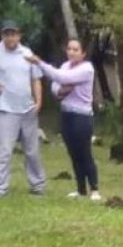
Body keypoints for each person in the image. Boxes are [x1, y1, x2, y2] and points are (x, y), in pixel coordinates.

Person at [25, 39, 100, 201]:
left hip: (82, 116)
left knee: (84, 153)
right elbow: (55, 86)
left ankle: (94, 189)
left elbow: (61, 77)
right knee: (73, 153)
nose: (72, 52)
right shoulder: (65, 66)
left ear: (83, 53)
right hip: (67, 114)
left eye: (76, 49)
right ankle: (81, 190)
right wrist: (61, 91)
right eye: (69, 49)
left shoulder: (87, 69)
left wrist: (40, 63)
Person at [0, 19, 46, 197]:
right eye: (7, 34)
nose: (10, 37)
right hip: (6, 109)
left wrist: (39, 102)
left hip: (27, 108)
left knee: (32, 150)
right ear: (3, 35)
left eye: (13, 34)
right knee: (5, 150)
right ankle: (1, 187)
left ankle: (38, 185)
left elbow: (36, 79)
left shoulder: (26, 53)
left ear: (19, 35)